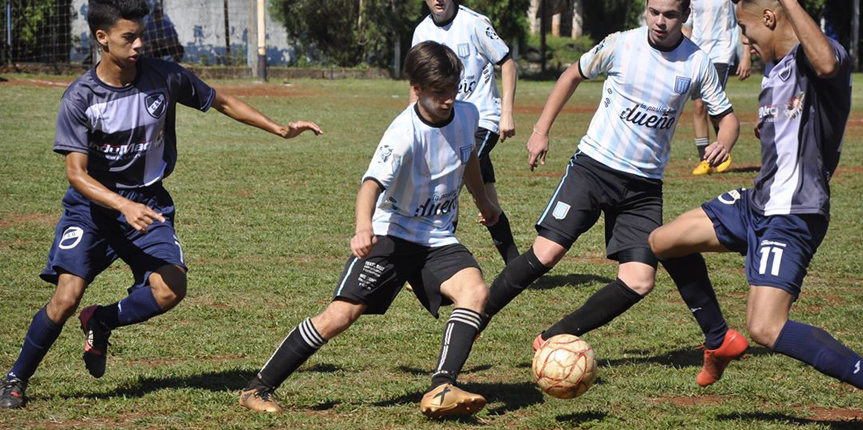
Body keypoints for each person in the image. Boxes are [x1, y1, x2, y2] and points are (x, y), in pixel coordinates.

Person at [0, 0, 322, 409]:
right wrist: (121, 206)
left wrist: (277, 128)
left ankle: (102, 320)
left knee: (171, 290)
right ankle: (15, 378)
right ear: (102, 38)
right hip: (93, 208)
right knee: (66, 297)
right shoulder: (80, 98)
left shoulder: (163, 77)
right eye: (128, 37)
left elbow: (220, 100)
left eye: (140, 36)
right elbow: (77, 174)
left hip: (148, 201)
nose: (138, 45)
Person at [238, 41, 499, 418]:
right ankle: (257, 388)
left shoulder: (468, 115)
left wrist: (484, 201)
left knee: (474, 291)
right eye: (439, 92)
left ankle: (442, 386)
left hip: (438, 237)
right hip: (391, 235)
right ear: (417, 89)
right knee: (339, 316)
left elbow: (468, 157)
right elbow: (370, 186)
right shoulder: (403, 134)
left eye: (452, 90)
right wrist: (363, 229)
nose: (448, 100)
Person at [479, 0, 741, 349]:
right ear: (647, 9)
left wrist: (724, 140)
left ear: (686, 16)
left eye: (670, 15)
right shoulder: (621, 44)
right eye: (654, 12)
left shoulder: (696, 62)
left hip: (643, 187)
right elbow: (572, 74)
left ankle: (554, 337)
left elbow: (727, 118)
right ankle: (475, 317)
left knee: (639, 280)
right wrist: (541, 130)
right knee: (547, 253)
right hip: (594, 169)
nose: (660, 22)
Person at [649, 0, 860, 389]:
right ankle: (719, 339)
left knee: (766, 327)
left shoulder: (819, 58)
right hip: (755, 205)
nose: (744, 40)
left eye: (746, 30)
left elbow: (827, 64)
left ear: (769, 18)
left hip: (793, 213)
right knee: (663, 242)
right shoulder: (775, 71)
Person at [411, 0, 519, 264]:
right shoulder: (421, 32)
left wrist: (506, 113)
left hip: (483, 121)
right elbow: (417, 85)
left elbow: (507, 63)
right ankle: (517, 266)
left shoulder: (474, 23)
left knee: (448, 185)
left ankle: (431, 262)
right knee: (486, 196)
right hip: (449, 123)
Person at [682, 0, 752, 175]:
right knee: (698, 106)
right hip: (697, 53)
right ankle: (705, 160)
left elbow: (744, 21)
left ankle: (721, 151)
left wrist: (746, 56)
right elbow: (687, 27)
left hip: (722, 52)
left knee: (713, 107)